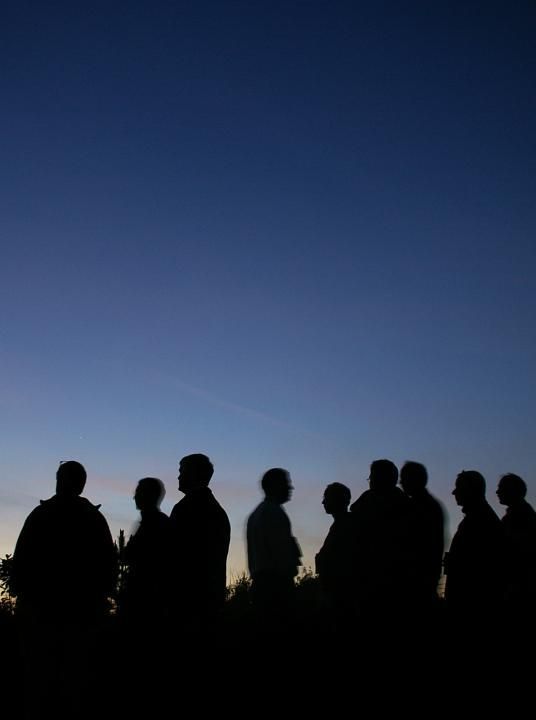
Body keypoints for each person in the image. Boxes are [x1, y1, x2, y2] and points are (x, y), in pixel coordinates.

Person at [12, 460, 117, 718]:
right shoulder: (94, 518)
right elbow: (108, 567)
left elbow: (21, 562)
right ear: (81, 485)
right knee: (76, 682)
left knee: (39, 680)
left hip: (41, 614)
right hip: (82, 615)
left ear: (59, 481)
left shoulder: (40, 516)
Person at [169, 454, 231, 625]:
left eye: (182, 471)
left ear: (193, 474)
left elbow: (172, 553)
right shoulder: (217, 511)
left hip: (187, 600)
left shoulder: (185, 509)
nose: (179, 476)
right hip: (211, 599)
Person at [444, 470, 505, 632]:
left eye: (459, 488)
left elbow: (479, 568)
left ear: (470, 490)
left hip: (471, 609)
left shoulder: (480, 521)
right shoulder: (479, 517)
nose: (454, 492)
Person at [246, 468, 301, 631]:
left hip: (263, 586)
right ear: (274, 485)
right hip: (276, 589)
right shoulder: (273, 513)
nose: (290, 488)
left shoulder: (257, 513)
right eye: (286, 483)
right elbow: (283, 555)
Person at [123, 477, 171, 623]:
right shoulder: (155, 522)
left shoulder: (157, 524)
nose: (134, 497)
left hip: (147, 605)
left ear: (148, 495)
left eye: (138, 492)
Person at [400, 461, 445, 613]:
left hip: (417, 583)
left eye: (404, 478)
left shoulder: (422, 507)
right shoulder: (426, 505)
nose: (401, 483)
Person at [315, 482, 356, 633]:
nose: (323, 502)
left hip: (341, 598)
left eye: (327, 497)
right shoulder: (342, 524)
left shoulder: (345, 525)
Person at [496, 473, 536, 622]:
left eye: (501, 488)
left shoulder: (520, 518)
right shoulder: (520, 515)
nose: (497, 492)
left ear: (513, 491)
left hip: (516, 591)